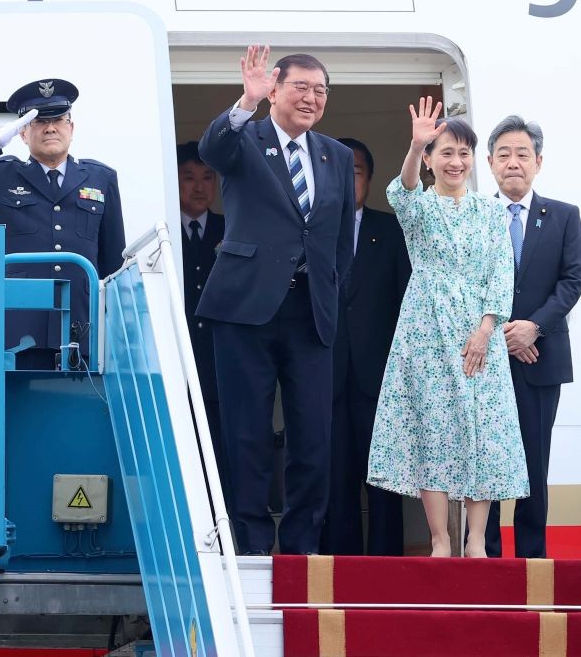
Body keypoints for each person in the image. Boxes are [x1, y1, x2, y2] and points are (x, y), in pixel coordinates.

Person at [197, 46, 355, 555]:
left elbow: (339, 244)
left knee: (313, 437)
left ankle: (303, 542)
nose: (311, 98)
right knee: (247, 431)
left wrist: (329, 290)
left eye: (320, 91)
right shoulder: (245, 138)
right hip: (246, 309)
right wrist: (244, 101)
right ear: (274, 90)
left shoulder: (337, 155)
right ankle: (251, 543)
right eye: (300, 87)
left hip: (311, 312)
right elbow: (211, 150)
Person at [367, 97, 528, 558]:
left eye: (463, 153)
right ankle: (440, 539)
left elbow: (501, 273)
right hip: (426, 331)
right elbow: (403, 189)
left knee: (484, 427)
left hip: (482, 330)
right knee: (433, 428)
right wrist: (416, 146)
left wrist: (486, 329)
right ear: (433, 161)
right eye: (446, 153)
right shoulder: (419, 208)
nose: (456, 162)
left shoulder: (491, 212)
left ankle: (476, 539)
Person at [0, 78, 126, 370]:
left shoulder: (100, 178)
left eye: (58, 119)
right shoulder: (2, 176)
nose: (50, 128)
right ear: (22, 132)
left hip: (82, 329)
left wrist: (112, 331)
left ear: (71, 127)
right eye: (38, 121)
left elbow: (112, 262)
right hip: (19, 330)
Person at [482, 115, 581, 558]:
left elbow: (572, 280)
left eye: (522, 154)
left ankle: (531, 557)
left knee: (532, 459)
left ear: (538, 162)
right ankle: (482, 551)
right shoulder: (476, 215)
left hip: (541, 356)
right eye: (503, 154)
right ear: (489, 163)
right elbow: (465, 280)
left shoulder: (563, 216)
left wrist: (533, 327)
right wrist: (503, 332)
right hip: (485, 357)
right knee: (483, 456)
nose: (513, 162)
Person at [321, 138, 411, 556]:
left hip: (382, 379)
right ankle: (339, 567)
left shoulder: (393, 231)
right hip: (325, 375)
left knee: (383, 480)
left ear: (370, 179)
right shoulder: (312, 230)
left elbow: (406, 304)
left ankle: (387, 568)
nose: (345, 178)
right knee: (333, 478)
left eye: (354, 170)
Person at [176, 142, 227, 482]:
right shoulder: (164, 224)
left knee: (223, 446)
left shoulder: (231, 227)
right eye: (189, 177)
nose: (199, 187)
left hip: (222, 355)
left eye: (207, 178)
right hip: (178, 353)